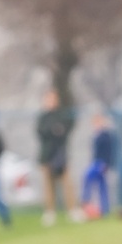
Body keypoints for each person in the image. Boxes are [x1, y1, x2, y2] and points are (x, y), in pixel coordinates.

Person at [36, 90, 79, 226]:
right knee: (48, 185)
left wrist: (59, 130)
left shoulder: (62, 115)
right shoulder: (43, 118)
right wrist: (52, 130)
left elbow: (68, 126)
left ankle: (72, 210)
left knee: (67, 184)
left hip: (61, 155)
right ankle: (50, 212)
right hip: (47, 156)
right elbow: (41, 132)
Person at [82, 112, 118, 218]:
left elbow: (109, 151)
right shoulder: (97, 134)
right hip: (96, 161)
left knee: (89, 177)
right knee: (102, 185)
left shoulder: (106, 135)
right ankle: (102, 209)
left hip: (101, 163)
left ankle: (87, 202)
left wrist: (106, 164)